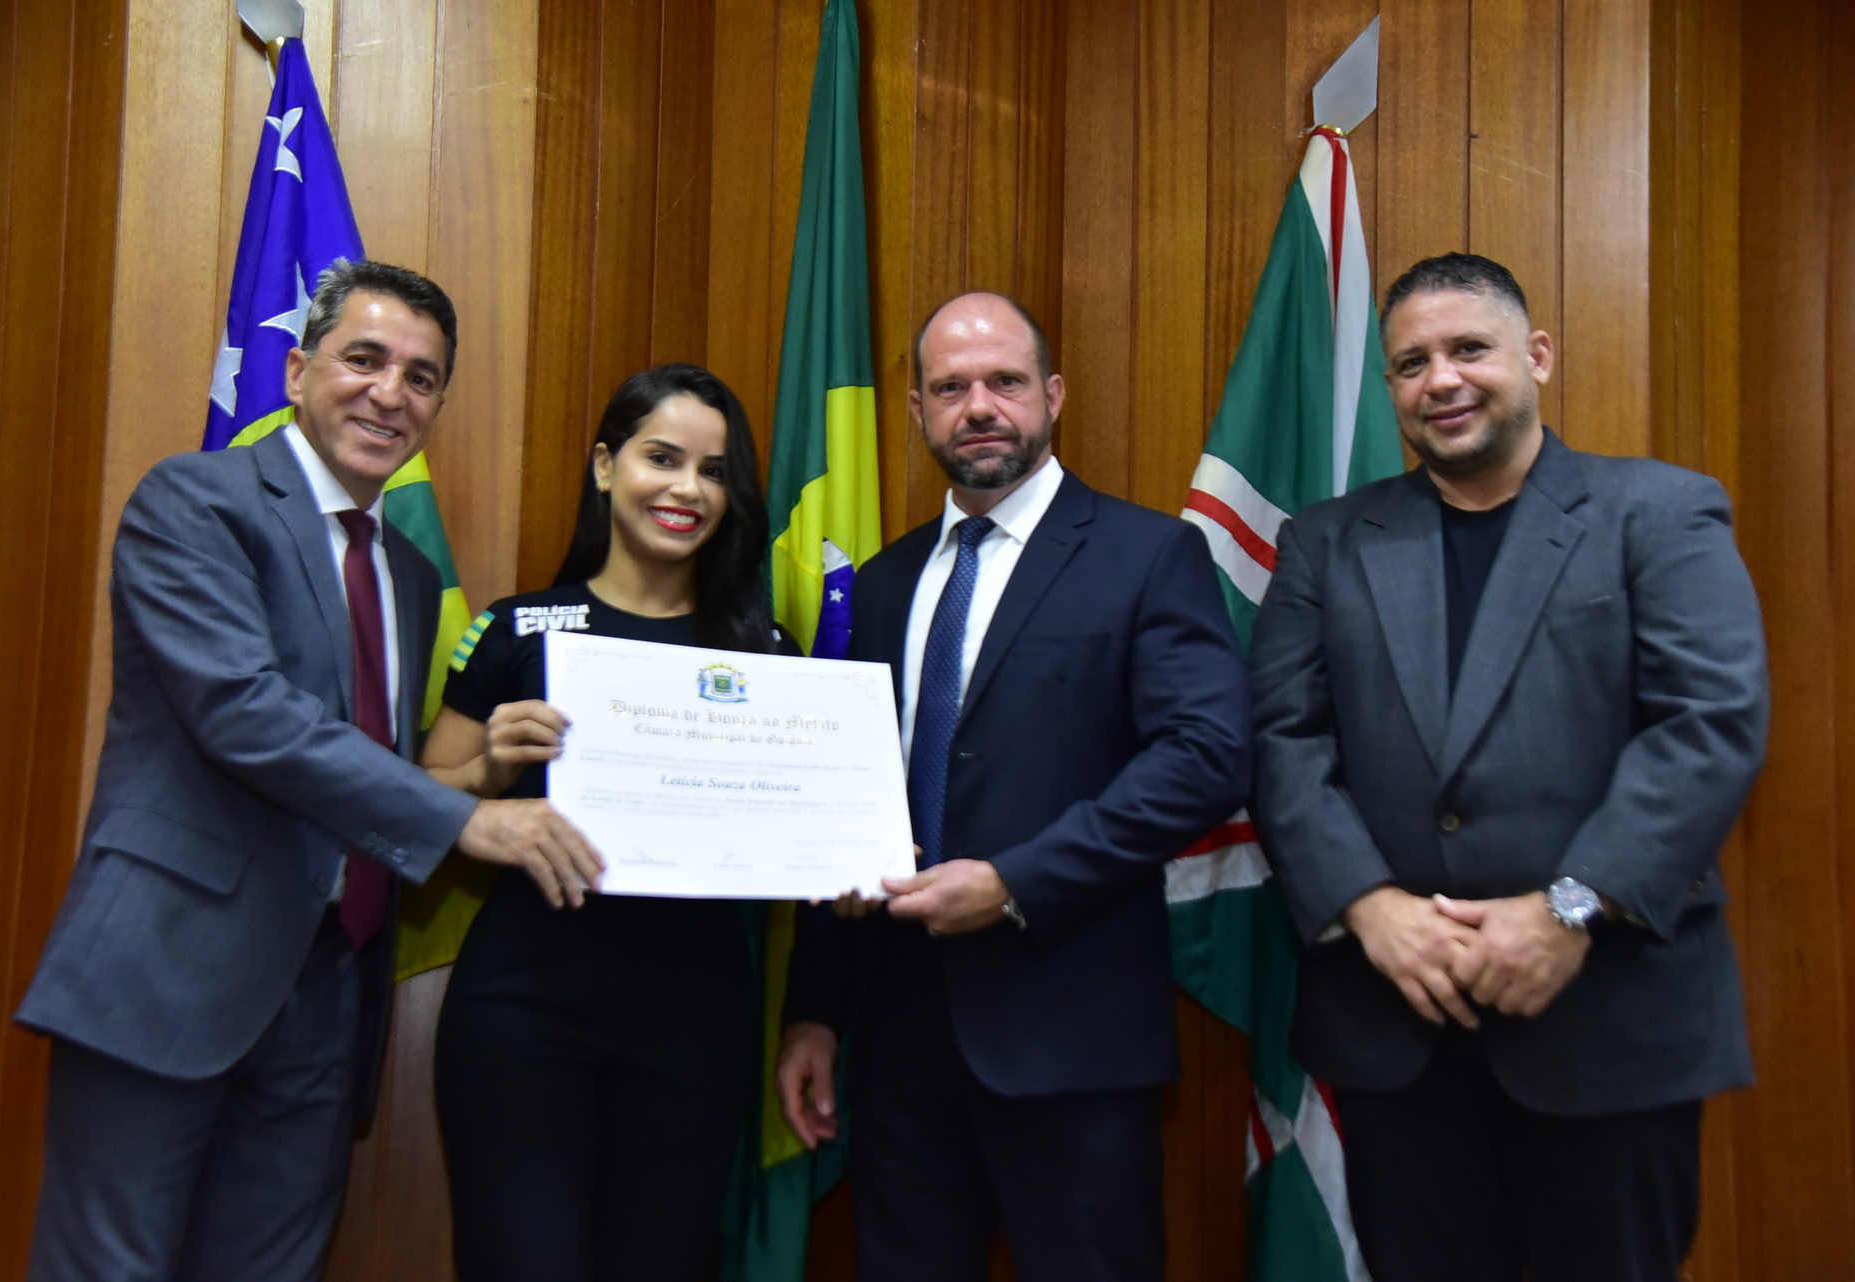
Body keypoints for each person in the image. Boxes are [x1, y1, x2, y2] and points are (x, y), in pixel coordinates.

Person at [17, 261, 597, 1282]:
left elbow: (360, 774)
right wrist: (466, 824)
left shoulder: (407, 574)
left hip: (331, 991)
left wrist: (474, 781)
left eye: (421, 377)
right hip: (169, 970)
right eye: (364, 359)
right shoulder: (196, 500)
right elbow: (243, 712)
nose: (389, 393)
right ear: (295, 371)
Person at [1250, 253, 1769, 1282]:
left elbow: (1709, 724)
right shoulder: (1325, 544)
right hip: (1399, 1025)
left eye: (1468, 350)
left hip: (1609, 1021)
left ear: (1536, 355)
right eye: (1411, 363)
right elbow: (1280, 738)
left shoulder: (1659, 511)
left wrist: (1571, 908)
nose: (1440, 380)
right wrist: (1368, 907)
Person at [775, 292, 1252, 1282]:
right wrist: (814, 1009)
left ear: (1054, 395)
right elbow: (843, 793)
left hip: (1073, 1038)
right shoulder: (881, 583)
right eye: (951, 388)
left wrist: (1014, 881)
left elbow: (1207, 755)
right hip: (900, 1045)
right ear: (918, 410)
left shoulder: (1146, 554)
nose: (980, 407)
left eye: (1005, 381)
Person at [426, 364, 792, 1282]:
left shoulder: (767, 654)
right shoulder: (516, 629)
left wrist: (856, 846)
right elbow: (420, 801)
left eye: (714, 471)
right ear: (604, 465)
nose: (687, 489)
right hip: (523, 1010)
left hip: (695, 1016)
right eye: (661, 458)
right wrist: (488, 772)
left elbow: (798, 829)